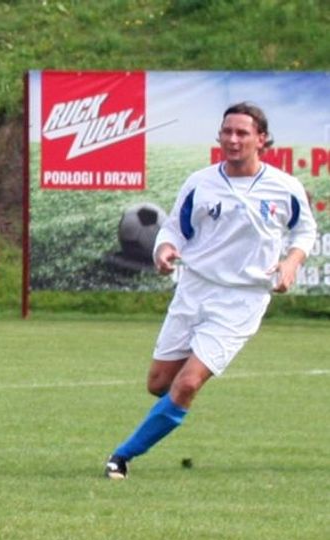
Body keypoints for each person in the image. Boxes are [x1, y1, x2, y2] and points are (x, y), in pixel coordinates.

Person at [104, 102, 317, 480]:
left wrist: (290, 263)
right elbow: (173, 230)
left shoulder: (284, 188)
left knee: (186, 384)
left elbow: (304, 231)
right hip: (194, 290)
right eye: (227, 132)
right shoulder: (200, 182)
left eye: (242, 133)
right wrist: (165, 249)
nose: (233, 140)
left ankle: (121, 457)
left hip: (242, 300)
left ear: (261, 140)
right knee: (159, 384)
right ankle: (173, 407)